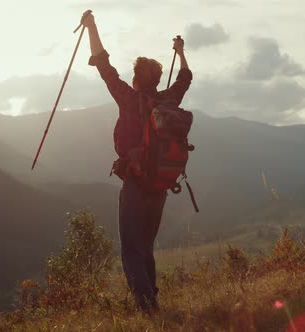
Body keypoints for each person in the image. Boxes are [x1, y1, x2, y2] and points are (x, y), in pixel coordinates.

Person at [81, 11, 192, 312]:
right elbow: (185, 78)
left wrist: (91, 27)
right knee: (145, 246)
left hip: (135, 181)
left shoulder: (129, 100)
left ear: (136, 79)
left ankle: (147, 306)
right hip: (160, 184)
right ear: (156, 80)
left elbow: (103, 65)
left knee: (131, 248)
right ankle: (150, 297)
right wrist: (180, 53)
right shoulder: (168, 102)